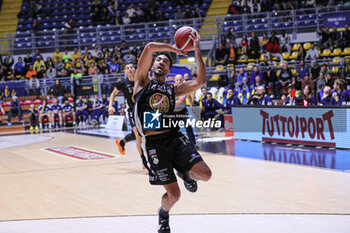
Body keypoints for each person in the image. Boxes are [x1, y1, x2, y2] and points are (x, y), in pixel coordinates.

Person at [132, 34, 211, 233]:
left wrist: (197, 49)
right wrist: (175, 49)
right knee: (174, 196)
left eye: (166, 62)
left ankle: (186, 174)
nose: (161, 62)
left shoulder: (172, 89)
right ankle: (163, 215)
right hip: (154, 144)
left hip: (174, 137)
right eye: (159, 59)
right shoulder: (141, 82)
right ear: (152, 65)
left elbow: (200, 81)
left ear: (168, 70)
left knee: (206, 174)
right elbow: (150, 46)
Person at [108, 63, 141, 156]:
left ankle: (121, 142)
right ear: (125, 71)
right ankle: (144, 161)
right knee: (138, 134)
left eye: (131, 67)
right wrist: (110, 105)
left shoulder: (140, 81)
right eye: (127, 68)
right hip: (131, 111)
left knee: (135, 135)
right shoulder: (123, 83)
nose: (130, 69)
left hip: (141, 110)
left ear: (135, 69)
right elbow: (113, 94)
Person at [173, 74, 197, 148]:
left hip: (183, 111)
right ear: (175, 80)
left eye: (180, 79)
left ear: (183, 80)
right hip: (174, 112)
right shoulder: (172, 89)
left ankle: (193, 144)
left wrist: (191, 105)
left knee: (188, 126)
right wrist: (178, 101)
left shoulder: (185, 88)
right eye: (177, 80)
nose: (179, 81)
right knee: (174, 129)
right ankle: (175, 145)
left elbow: (189, 96)